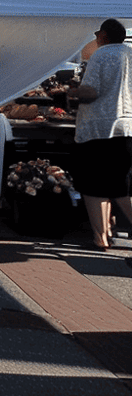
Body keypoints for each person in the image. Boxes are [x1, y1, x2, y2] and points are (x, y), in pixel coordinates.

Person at [68, 18, 132, 250]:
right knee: (119, 186)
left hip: (98, 127)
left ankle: (100, 236)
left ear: (103, 35)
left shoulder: (102, 55)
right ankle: (106, 231)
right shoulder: (130, 54)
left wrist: (71, 91)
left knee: (94, 186)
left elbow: (92, 91)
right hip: (126, 126)